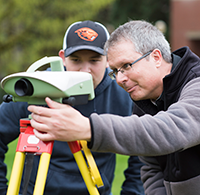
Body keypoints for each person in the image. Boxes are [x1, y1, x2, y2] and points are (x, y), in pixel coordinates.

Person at [28, 19, 200, 195]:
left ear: (156, 57)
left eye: (126, 66)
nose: (119, 79)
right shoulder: (144, 99)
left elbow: (171, 129)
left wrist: (88, 128)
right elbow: (152, 167)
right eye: (116, 71)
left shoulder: (197, 83)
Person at [0, 20, 144, 195]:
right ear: (62, 58)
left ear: (108, 60)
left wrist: (132, 192)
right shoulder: (36, 88)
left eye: (94, 60)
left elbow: (143, 146)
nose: (85, 70)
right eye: (76, 60)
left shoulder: (123, 92)